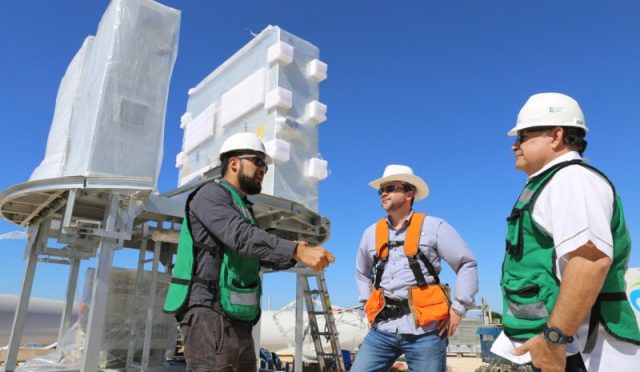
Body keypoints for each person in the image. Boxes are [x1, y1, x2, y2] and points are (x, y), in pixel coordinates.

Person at [491, 92, 640, 371]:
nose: (514, 145)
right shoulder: (554, 182)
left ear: (556, 136)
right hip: (567, 348)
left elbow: (590, 260)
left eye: (522, 136)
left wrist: (553, 339)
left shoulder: (572, 180)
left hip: (583, 351)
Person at [163, 132, 335, 372]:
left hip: (236, 317)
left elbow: (253, 252)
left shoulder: (241, 206)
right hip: (209, 314)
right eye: (258, 161)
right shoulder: (209, 195)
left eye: (265, 164)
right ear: (233, 163)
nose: (264, 169)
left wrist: (297, 251)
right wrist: (295, 250)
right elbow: (241, 237)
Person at [352, 164, 478, 372]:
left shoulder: (434, 227)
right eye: (381, 190)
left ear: (409, 193)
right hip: (382, 330)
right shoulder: (370, 233)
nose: (384, 193)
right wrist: (368, 307)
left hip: (426, 332)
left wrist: (458, 308)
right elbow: (362, 272)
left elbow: (466, 263)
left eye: (391, 188)